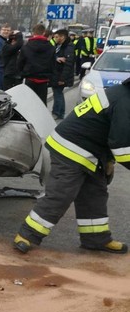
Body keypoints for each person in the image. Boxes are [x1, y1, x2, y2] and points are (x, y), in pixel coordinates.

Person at [13, 78, 130, 255]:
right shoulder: (125, 102)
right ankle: (26, 235)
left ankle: (96, 239)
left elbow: (107, 132)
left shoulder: (122, 95)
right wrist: (113, 159)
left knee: (94, 193)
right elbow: (121, 145)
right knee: (61, 193)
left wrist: (108, 161)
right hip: (70, 147)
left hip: (91, 151)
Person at [18, 24, 54, 103]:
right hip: (44, 80)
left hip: (30, 78)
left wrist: (22, 73)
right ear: (44, 32)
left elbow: (20, 62)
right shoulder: (50, 47)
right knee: (41, 103)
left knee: (28, 102)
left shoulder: (27, 46)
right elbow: (52, 63)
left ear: (33, 33)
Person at [50, 29, 75, 120]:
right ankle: (60, 112)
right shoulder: (59, 46)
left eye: (57, 37)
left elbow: (68, 65)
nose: (55, 38)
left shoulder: (68, 47)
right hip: (56, 74)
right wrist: (56, 58)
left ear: (62, 37)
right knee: (58, 93)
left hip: (60, 75)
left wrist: (62, 79)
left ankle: (57, 112)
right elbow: (54, 55)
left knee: (57, 93)